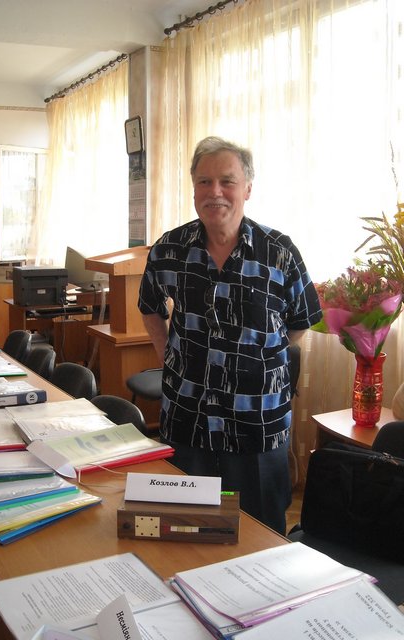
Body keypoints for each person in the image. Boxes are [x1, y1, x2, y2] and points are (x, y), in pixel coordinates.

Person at [138, 136, 322, 534]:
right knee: (189, 531)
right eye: (204, 182)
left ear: (248, 188)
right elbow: (150, 306)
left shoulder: (279, 252)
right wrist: (166, 354)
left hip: (258, 423)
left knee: (262, 534)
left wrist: (262, 358)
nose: (215, 192)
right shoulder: (169, 249)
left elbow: (301, 319)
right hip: (188, 418)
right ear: (193, 189)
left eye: (227, 181)